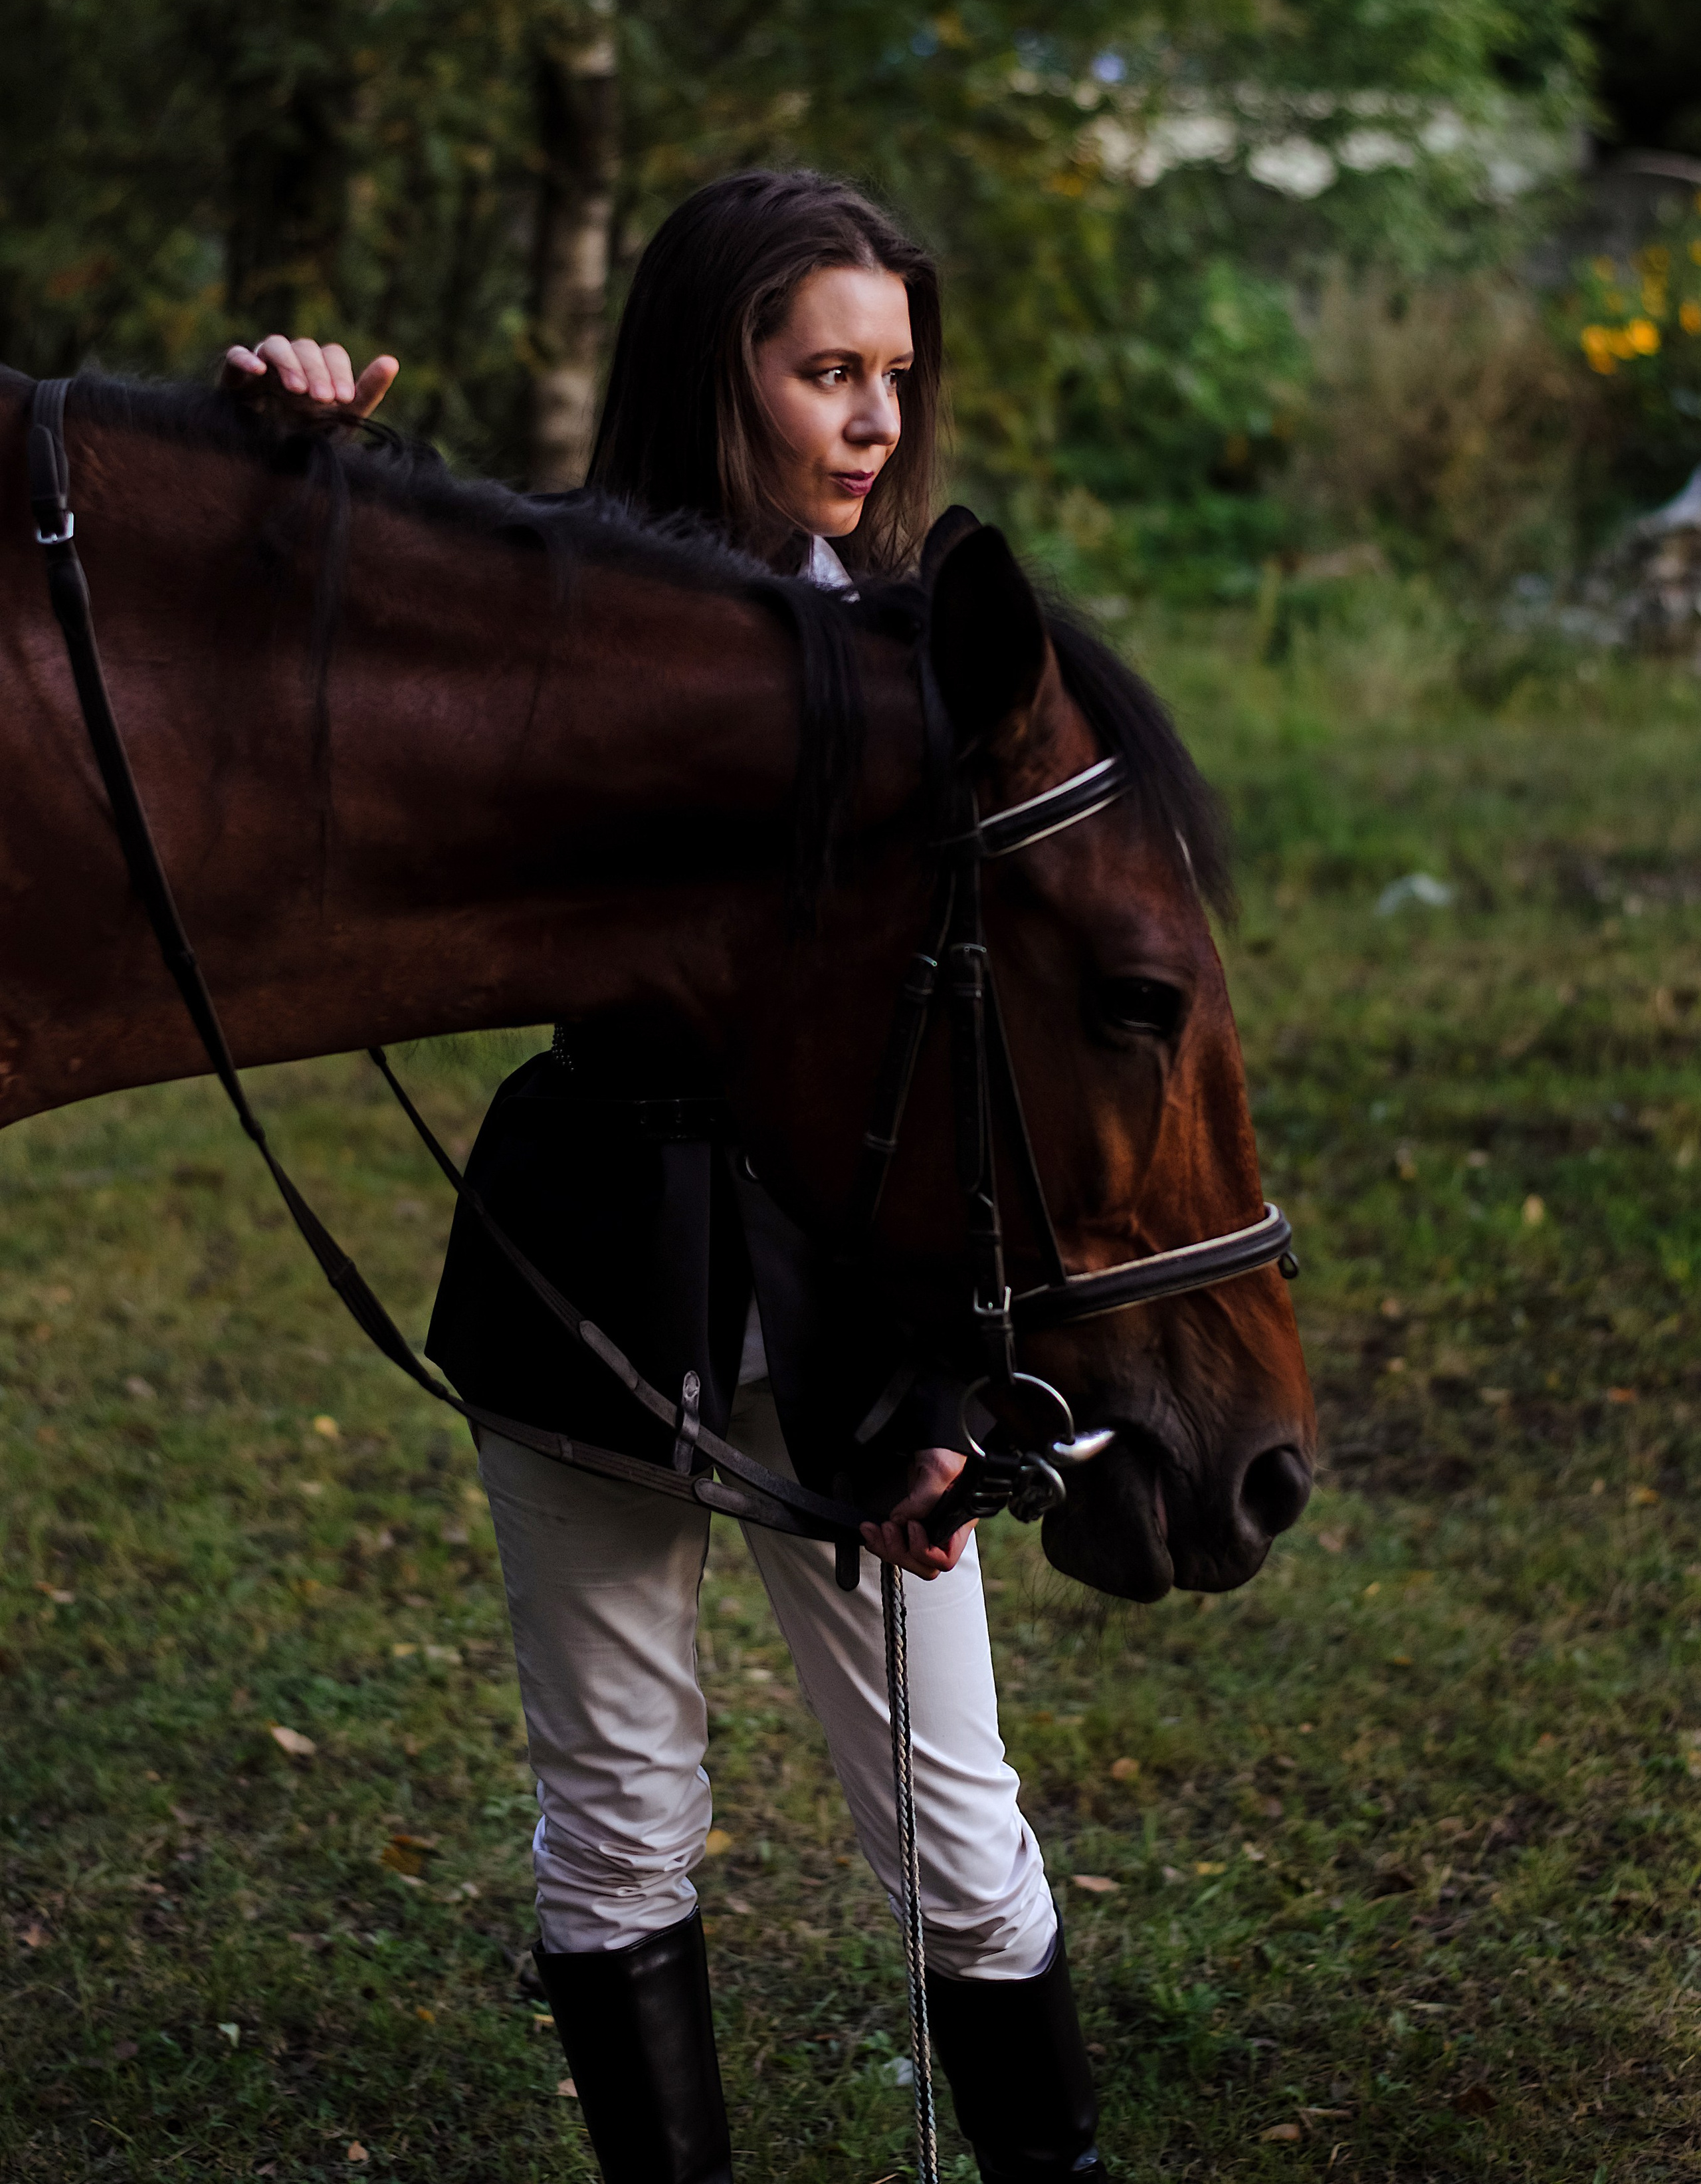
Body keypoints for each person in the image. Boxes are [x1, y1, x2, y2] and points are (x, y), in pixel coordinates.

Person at [224, 171, 1104, 2184]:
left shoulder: (913, 658)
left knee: (957, 1838)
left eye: (894, 374)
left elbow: (965, 1074)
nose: (875, 419)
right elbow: (348, 636)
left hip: (859, 1322)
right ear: (719, 381)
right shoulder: (565, 612)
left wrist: (957, 1397)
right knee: (619, 1812)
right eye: (826, 372)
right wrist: (287, 457)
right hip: (592, 1269)